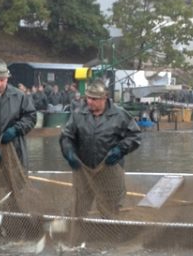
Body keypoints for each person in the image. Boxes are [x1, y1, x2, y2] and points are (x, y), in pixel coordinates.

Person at [59, 79, 141, 218]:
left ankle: (109, 235)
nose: (89, 101)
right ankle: (79, 235)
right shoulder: (78, 114)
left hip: (109, 170)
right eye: (88, 98)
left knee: (110, 208)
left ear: (104, 99)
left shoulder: (120, 115)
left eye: (94, 99)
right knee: (79, 207)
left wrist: (120, 150)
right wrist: (69, 153)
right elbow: (67, 137)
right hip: (84, 171)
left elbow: (135, 136)